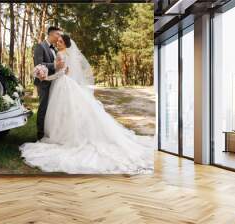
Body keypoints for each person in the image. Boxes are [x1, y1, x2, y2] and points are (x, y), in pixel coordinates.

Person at [20, 34, 153, 174]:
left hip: (62, 84)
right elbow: (67, 71)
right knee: (69, 112)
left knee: (63, 112)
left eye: (60, 41)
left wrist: (46, 77)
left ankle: (63, 136)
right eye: (57, 41)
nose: (58, 43)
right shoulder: (69, 54)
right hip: (68, 84)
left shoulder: (60, 53)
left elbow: (61, 73)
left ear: (65, 44)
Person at [33, 26, 65, 140]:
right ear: (51, 34)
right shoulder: (40, 46)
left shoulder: (55, 49)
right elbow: (39, 64)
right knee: (43, 107)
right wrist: (55, 65)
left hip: (53, 82)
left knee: (51, 108)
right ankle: (40, 134)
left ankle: (49, 132)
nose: (59, 37)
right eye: (58, 34)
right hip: (43, 82)